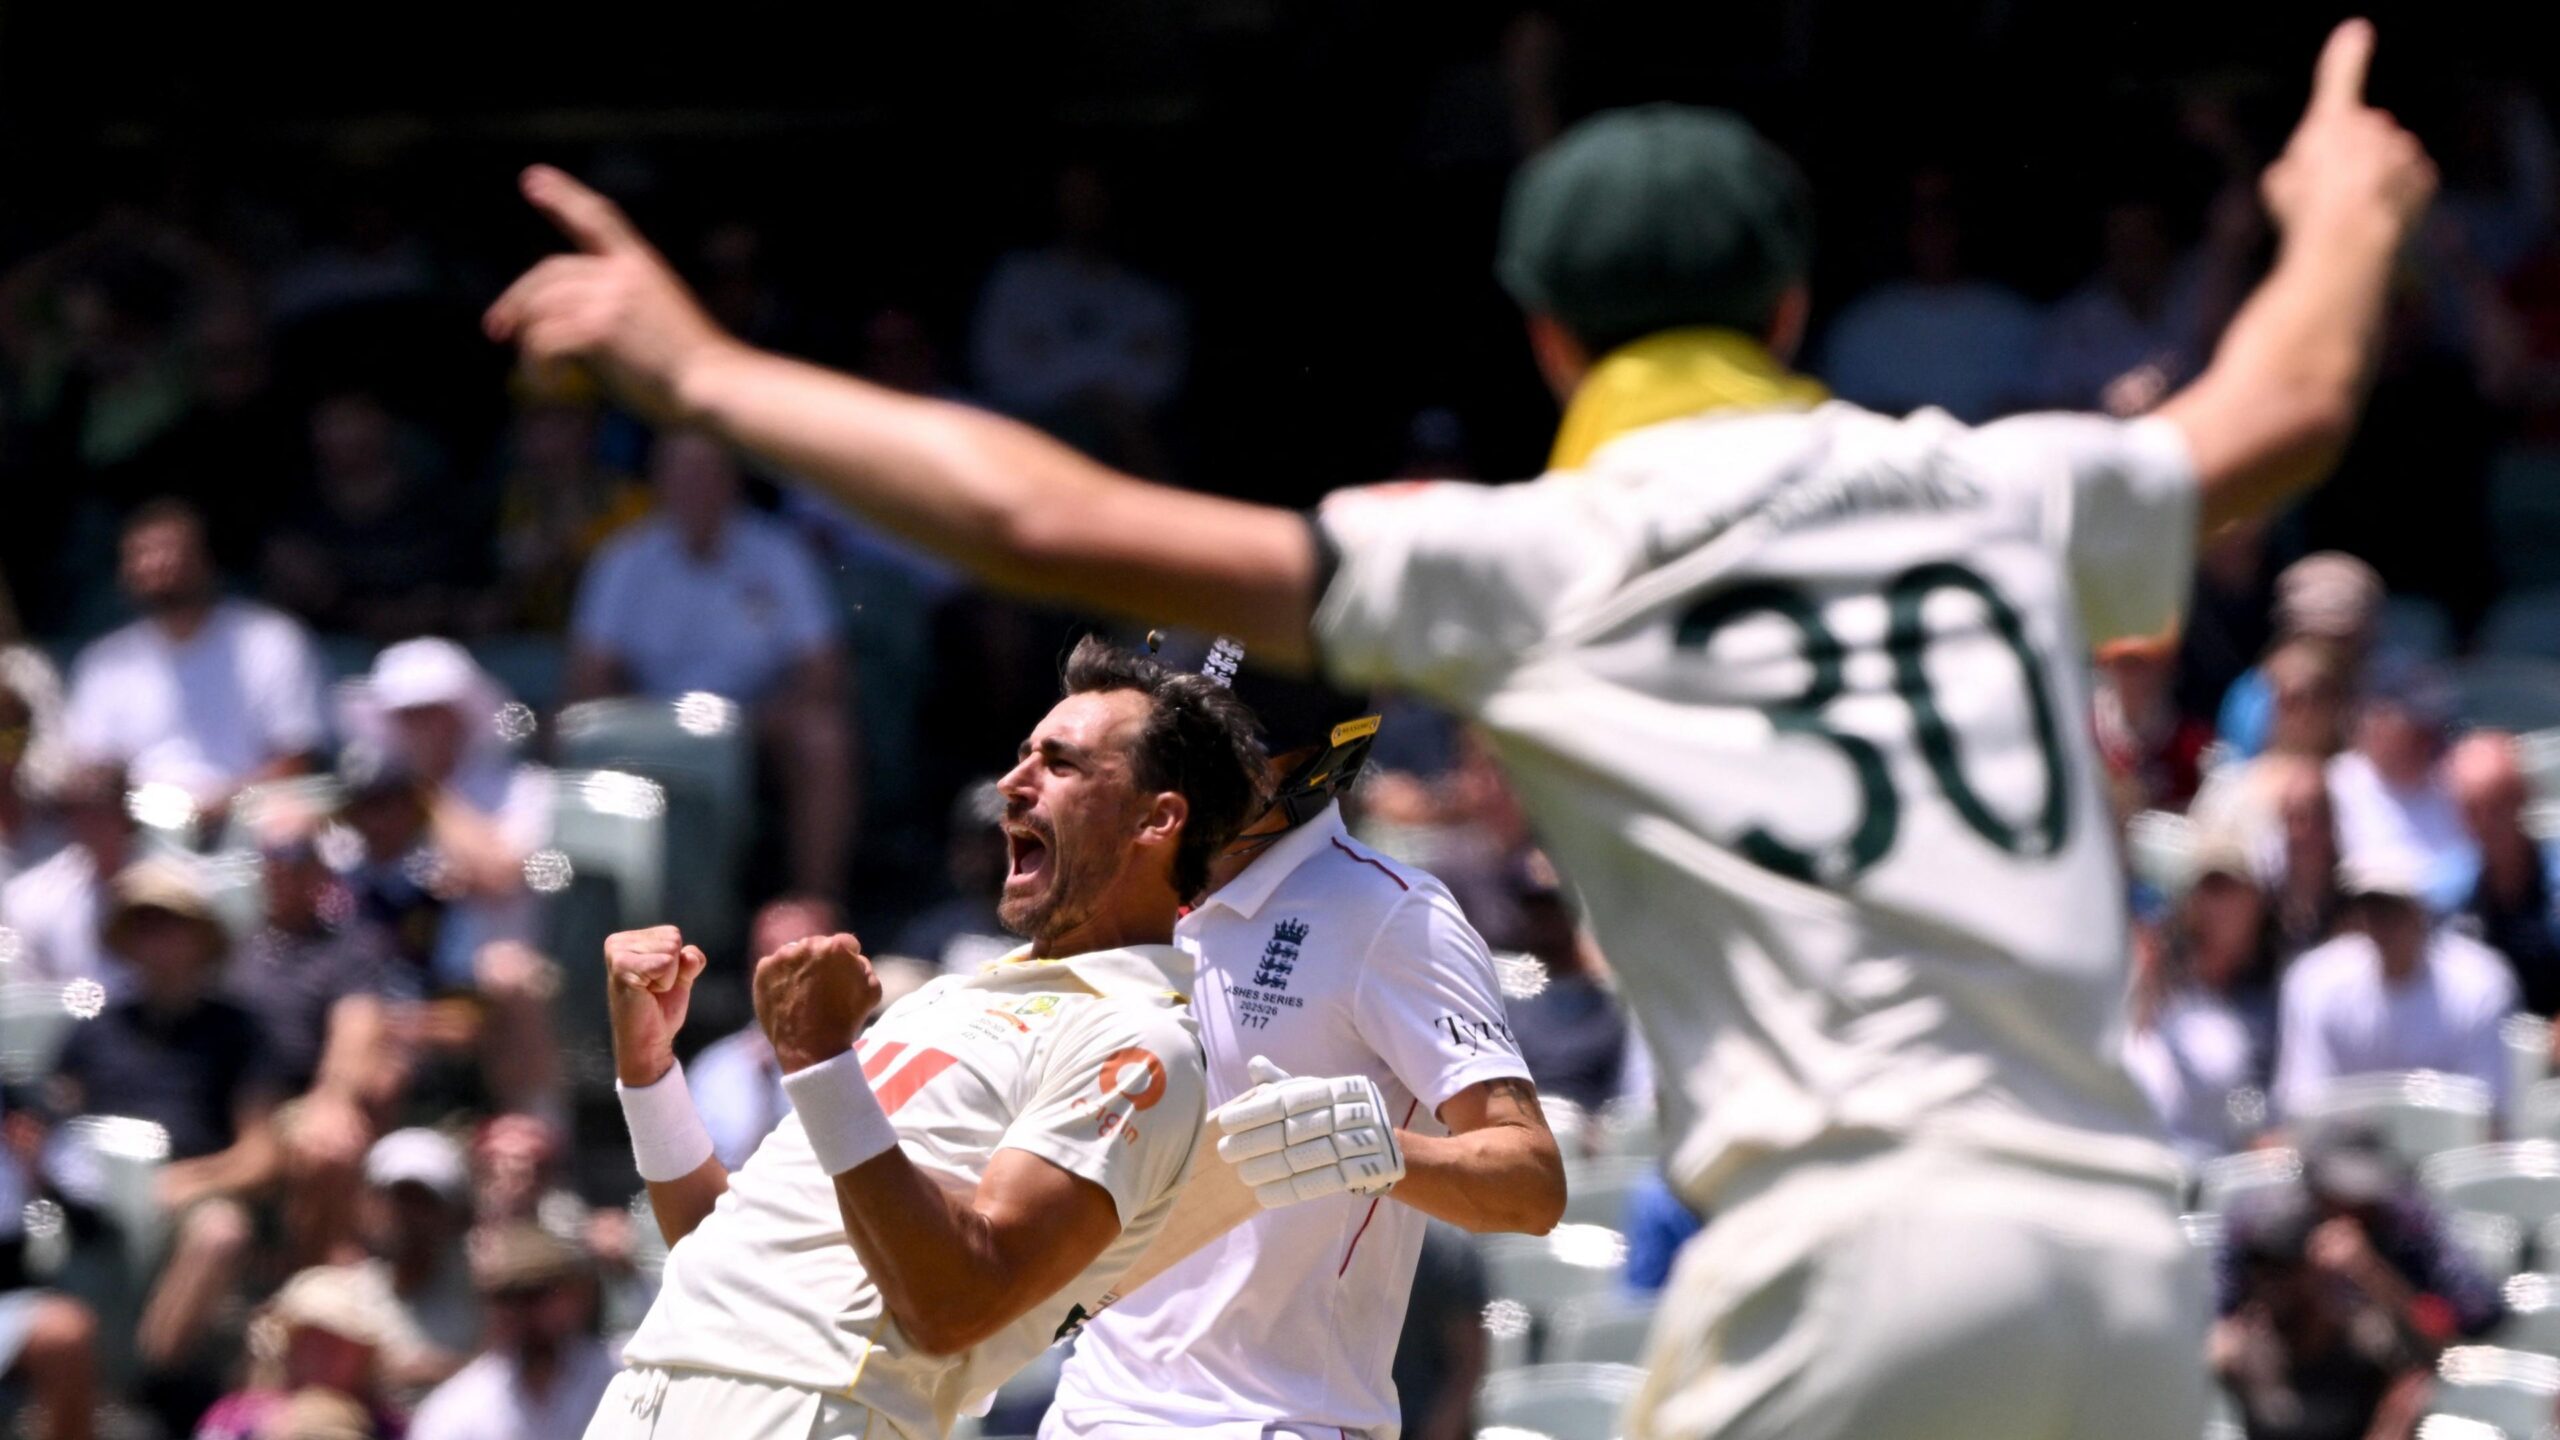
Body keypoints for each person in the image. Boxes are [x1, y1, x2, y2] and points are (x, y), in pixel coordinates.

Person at [487, 23, 2434, 1437]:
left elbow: (1037, 513)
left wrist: (706, 370)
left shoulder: (1539, 554)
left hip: (1826, 1268)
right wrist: (2344, 207)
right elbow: (2280, 410)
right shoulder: (2003, 487)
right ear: (1789, 301)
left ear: (1545, 336)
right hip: (2114, 1256)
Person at [580, 637, 1259, 1438]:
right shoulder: (942, 998)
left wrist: (821, 1062)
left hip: (812, 1408)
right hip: (647, 1391)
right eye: (1023, 756)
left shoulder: (1143, 1041)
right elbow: (717, 1246)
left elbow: (955, 1306)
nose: (1012, 783)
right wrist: (649, 1071)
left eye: (1061, 764)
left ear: (1158, 819)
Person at [1044, 642, 1562, 1440]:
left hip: (1274, 1422)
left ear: (1309, 765)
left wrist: (1366, 1146)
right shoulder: (1123, 890)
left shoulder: (1391, 914)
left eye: (1208, 744)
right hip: (1084, 1410)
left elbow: (1531, 1184)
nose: (1171, 764)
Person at [565, 429, 854, 899]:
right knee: (568, 734)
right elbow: (589, 678)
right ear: (659, 482)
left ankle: (815, 905)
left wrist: (753, 721)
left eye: (707, 473)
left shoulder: (779, 553)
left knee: (824, 739)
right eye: (681, 474)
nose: (694, 487)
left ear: (733, 481)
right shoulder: (624, 559)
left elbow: (823, 669)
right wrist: (653, 723)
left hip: (755, 720)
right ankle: (604, 913)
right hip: (650, 723)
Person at [45, 858, 284, 1374]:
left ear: (202, 938)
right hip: (94, 1202)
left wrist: (183, 1183)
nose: (157, 939)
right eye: (144, 925)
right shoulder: (93, 1031)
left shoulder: (240, 1031)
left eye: (171, 923)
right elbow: (53, 1129)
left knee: (220, 1232)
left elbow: (262, 1157)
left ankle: (144, 1381)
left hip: (191, 1192)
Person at [62, 498, 324, 814]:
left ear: (206, 558)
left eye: (170, 550)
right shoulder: (105, 661)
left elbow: (296, 758)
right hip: (140, 825)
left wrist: (221, 809)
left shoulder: (273, 640)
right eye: (142, 554)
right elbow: (93, 766)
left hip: (250, 819)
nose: (157, 564)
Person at [2274, 852, 2520, 1119]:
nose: (2381, 923)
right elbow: (2304, 1103)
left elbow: (2490, 1111)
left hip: (2449, 1143)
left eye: (2392, 909)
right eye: (2371, 909)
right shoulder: (2316, 981)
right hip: (2346, 1143)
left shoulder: (2479, 983)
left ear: (2420, 911)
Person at [2122, 834, 2282, 1164]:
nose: (2217, 908)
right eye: (2208, 891)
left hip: (2223, 1174)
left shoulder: (2271, 996)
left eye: (2229, 891)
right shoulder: (2155, 982)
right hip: (2148, 1165)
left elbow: (2253, 1121)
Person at [406, 1223, 616, 1440]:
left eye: (537, 1293)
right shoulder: (454, 1409)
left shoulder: (619, 1375)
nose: (522, 1312)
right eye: (506, 1297)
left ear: (576, 1294)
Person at [2445, 729, 2560, 1016]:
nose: (2487, 822)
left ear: (2523, 798)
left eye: (2498, 805)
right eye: (2473, 809)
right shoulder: (2444, 897)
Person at [1, 760, 138, 986]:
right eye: (80, 810)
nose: (92, 820)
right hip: (70, 1006)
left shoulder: (169, 883)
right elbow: (31, 989)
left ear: (125, 813)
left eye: (103, 808)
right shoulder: (31, 898)